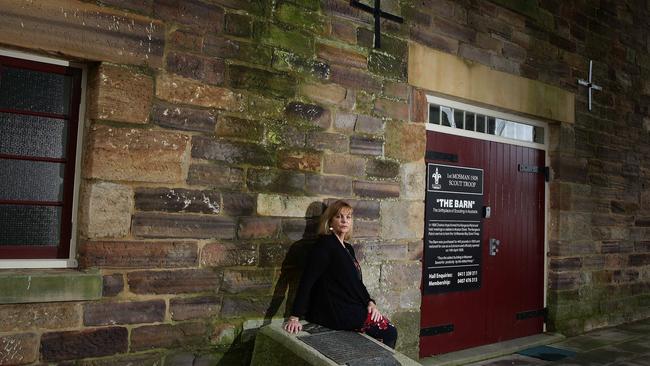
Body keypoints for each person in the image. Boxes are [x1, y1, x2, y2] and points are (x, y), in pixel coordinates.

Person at [283, 200, 398, 349]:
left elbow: (356, 283)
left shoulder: (348, 248)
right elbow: (307, 281)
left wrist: (370, 302)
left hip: (351, 305)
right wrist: (295, 316)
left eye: (348, 217)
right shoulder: (325, 245)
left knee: (385, 328)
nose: (344, 221)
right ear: (330, 220)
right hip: (336, 310)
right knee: (389, 332)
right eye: (339, 216)